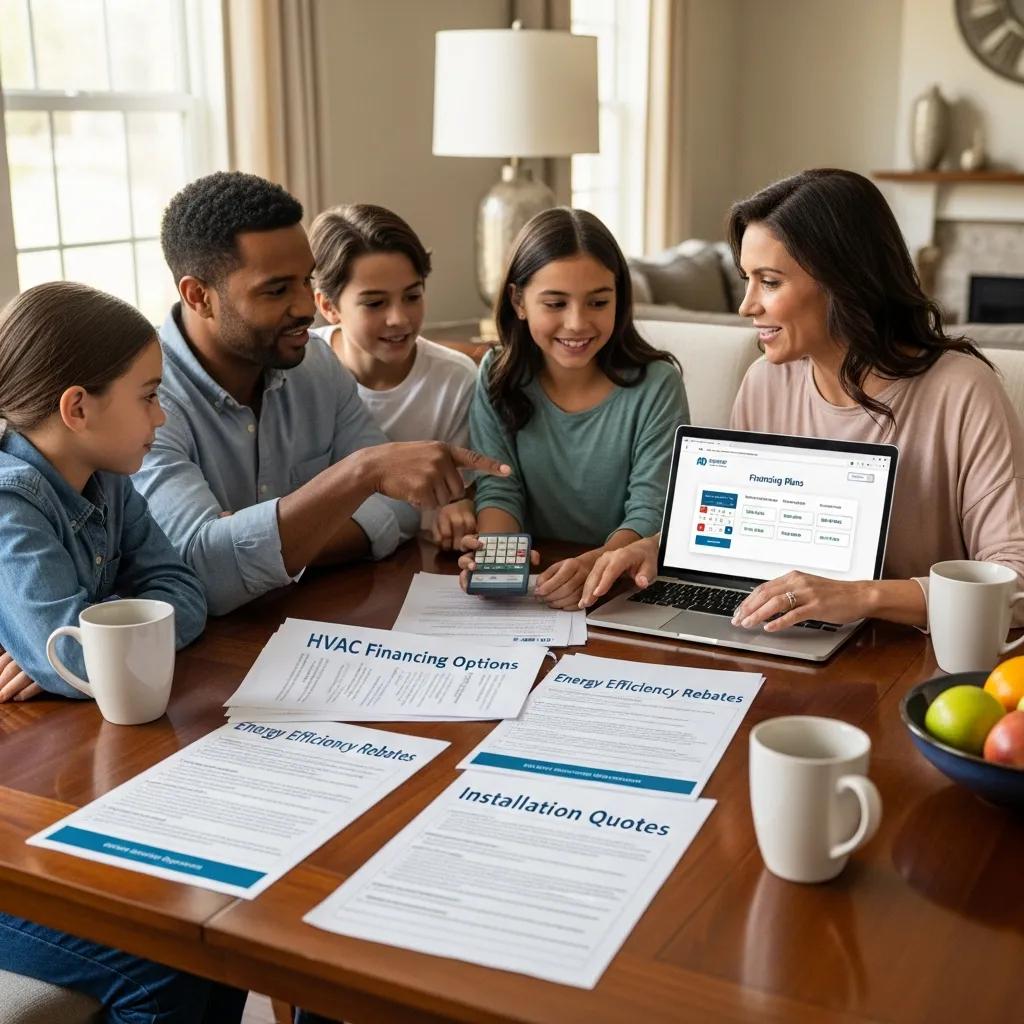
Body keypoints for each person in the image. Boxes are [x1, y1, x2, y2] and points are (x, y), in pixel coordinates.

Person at [580, 168, 1024, 630]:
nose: (746, 306)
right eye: (746, 279)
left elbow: (1016, 586)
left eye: (770, 282)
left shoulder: (963, 391)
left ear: (844, 282)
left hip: (908, 652)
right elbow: (738, 535)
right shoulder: (765, 383)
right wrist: (656, 547)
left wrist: (862, 596)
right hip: (780, 634)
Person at [0, 282, 244, 1024]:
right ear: (78, 407)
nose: (161, 417)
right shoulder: (10, 501)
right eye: (148, 396)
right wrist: (87, 649)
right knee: (169, 963)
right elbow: (70, 660)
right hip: (17, 832)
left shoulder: (107, 477)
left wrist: (92, 646)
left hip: (64, 771)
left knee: (222, 922)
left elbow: (183, 591)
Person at [133, 172, 508, 614]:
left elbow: (401, 509)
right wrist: (359, 476)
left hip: (311, 619)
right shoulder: (144, 399)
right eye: (277, 290)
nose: (307, 308)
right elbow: (204, 571)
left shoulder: (314, 364)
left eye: (305, 281)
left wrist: (260, 543)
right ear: (199, 295)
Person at [461, 207, 687, 610]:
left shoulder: (658, 385)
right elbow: (499, 488)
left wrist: (595, 564)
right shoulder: (497, 374)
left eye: (598, 302)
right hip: (541, 580)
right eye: (555, 303)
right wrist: (496, 564)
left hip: (624, 586)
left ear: (619, 298)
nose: (578, 323)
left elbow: (650, 510)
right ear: (518, 301)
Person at [309, 203, 477, 550]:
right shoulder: (301, 370)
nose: (399, 318)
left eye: (412, 296)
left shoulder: (455, 380)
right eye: (375, 303)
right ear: (328, 306)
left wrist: (458, 508)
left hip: (415, 557)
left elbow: (459, 497)